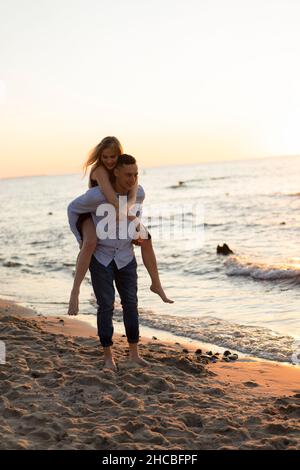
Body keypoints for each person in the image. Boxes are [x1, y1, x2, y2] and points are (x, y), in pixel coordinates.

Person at [68, 136, 173, 316]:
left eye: (113, 157)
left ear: (119, 156)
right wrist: (79, 237)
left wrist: (132, 225)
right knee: (90, 242)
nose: (109, 161)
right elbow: (111, 198)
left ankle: (156, 284)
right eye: (105, 157)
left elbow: (132, 198)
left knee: (146, 239)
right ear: (100, 157)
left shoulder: (127, 172)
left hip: (115, 211)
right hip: (89, 212)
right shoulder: (99, 171)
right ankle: (75, 291)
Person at [68, 154, 148, 369]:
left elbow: (136, 216)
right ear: (116, 172)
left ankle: (133, 354)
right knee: (106, 306)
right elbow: (72, 209)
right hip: (101, 258)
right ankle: (108, 357)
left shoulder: (139, 193)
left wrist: (136, 234)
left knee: (131, 304)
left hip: (125, 257)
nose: (132, 179)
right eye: (128, 174)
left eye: (135, 174)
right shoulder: (96, 196)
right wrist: (82, 238)